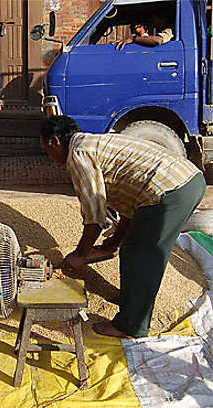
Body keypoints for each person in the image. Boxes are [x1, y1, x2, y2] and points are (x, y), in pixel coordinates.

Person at [40, 115, 206, 339]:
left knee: (140, 255)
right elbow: (130, 208)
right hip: (189, 181)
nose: (49, 158)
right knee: (134, 248)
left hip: (169, 190)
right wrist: (113, 243)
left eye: (46, 150)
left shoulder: (79, 154)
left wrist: (80, 255)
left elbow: (95, 217)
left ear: (55, 142)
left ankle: (130, 326)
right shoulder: (94, 143)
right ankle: (132, 302)